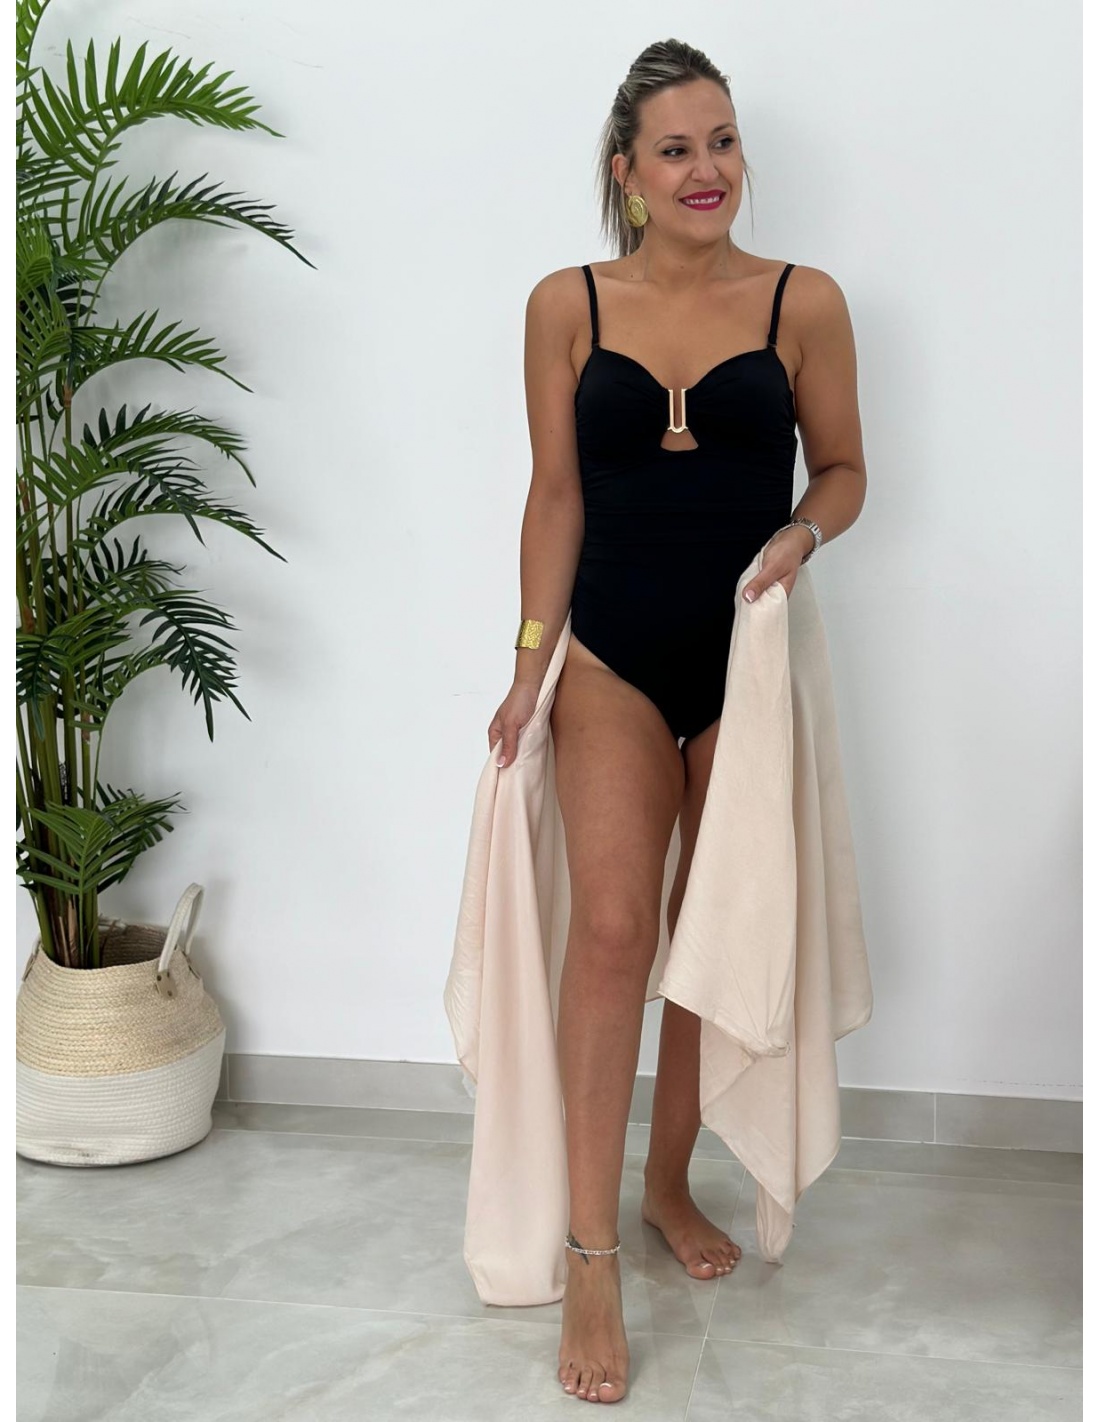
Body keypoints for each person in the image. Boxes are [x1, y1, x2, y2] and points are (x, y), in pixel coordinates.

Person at [485, 38, 867, 1405]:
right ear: (626, 171)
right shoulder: (567, 303)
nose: (708, 169)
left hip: (746, 660)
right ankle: (590, 1252)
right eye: (677, 149)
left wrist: (801, 535)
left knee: (713, 940)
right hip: (614, 657)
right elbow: (554, 497)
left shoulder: (804, 300)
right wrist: (528, 665)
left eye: (723, 141)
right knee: (611, 931)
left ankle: (665, 1182)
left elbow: (845, 468)